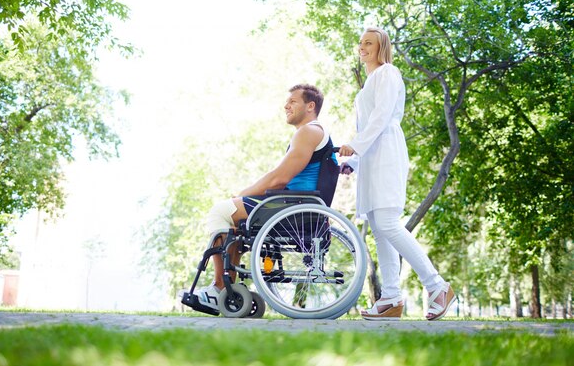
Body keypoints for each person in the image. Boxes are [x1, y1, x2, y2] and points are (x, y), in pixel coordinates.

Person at [338, 27, 456, 321]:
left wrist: (355, 145)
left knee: (389, 222)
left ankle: (437, 286)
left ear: (381, 48)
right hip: (372, 155)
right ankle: (390, 297)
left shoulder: (388, 73)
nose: (363, 47)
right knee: (379, 228)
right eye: (361, 42)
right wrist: (353, 161)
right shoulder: (366, 85)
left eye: (370, 43)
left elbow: (381, 117)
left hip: (387, 152)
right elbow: (366, 126)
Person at [190, 84, 336, 310]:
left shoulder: (309, 132)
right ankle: (229, 290)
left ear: (310, 106)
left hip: (292, 207)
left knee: (221, 211)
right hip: (297, 206)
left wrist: (242, 194)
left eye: (293, 101)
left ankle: (219, 288)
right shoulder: (313, 134)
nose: (286, 105)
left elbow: (279, 179)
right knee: (234, 223)